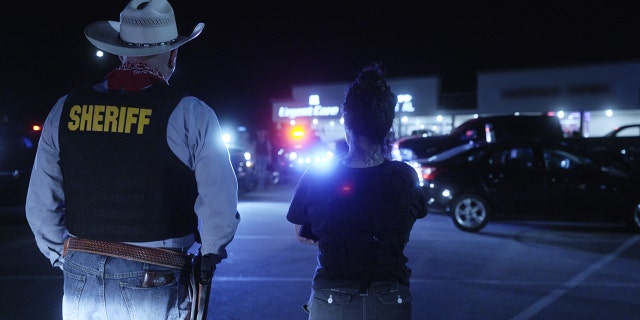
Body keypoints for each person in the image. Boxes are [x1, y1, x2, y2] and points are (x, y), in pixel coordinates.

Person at [25, 1, 240, 319]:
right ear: (173, 54)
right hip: (155, 273)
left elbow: (41, 206)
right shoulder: (190, 113)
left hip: (79, 270)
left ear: (120, 51)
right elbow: (219, 205)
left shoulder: (65, 108)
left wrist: (67, 257)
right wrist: (210, 254)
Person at [286, 63, 428, 320]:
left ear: (347, 124)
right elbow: (407, 220)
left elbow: (302, 233)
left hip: (333, 295)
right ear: (387, 128)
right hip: (391, 297)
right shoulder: (405, 176)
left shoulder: (319, 174)